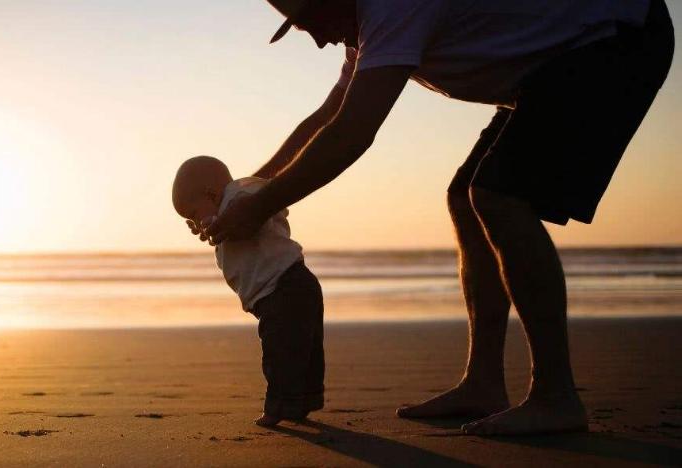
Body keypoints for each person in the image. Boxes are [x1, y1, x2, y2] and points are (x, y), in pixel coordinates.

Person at [191, 0, 675, 435]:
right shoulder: (365, 28)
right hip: (550, 66)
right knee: (466, 197)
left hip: (616, 36)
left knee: (498, 197)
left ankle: (556, 396)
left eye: (313, 19)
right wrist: (243, 193)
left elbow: (352, 134)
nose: (318, 38)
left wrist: (261, 205)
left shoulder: (392, 7)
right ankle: (484, 382)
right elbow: (325, 118)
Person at [173, 156, 325, 427]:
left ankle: (278, 407)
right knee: (302, 349)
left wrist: (216, 216)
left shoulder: (241, 197)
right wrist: (208, 221)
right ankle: (301, 402)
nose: (196, 223)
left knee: (280, 351)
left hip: (285, 287)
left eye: (194, 214)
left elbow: (263, 197)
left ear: (211, 193)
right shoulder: (227, 214)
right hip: (285, 288)